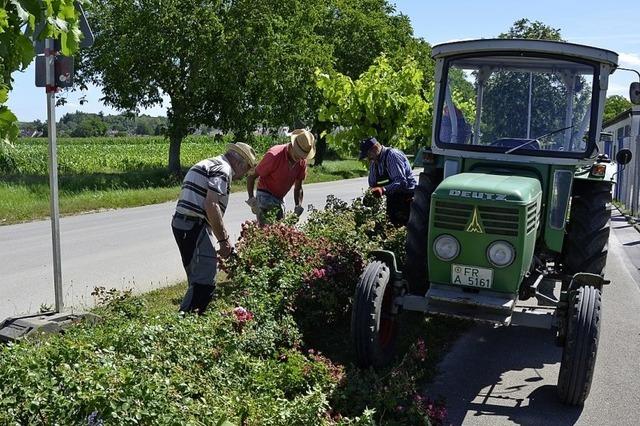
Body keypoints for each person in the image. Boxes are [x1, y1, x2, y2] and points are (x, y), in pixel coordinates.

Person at [172, 142, 257, 314]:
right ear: (240, 163)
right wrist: (224, 241)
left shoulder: (212, 163)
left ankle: (190, 319)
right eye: (246, 170)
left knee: (197, 276)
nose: (243, 175)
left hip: (183, 223)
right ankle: (185, 322)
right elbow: (211, 204)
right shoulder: (223, 170)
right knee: (205, 281)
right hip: (194, 225)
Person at [246, 129, 315, 224]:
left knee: (281, 231)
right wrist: (252, 199)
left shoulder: (301, 162)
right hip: (265, 195)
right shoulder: (274, 155)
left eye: (302, 156)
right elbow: (252, 176)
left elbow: (298, 187)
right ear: (292, 145)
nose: (299, 158)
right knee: (270, 232)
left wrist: (298, 205)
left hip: (280, 198)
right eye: (298, 154)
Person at [360, 137, 417, 226]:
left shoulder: (392, 155)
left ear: (375, 148)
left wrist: (383, 190)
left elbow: (401, 182)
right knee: (391, 224)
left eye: (368, 155)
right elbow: (372, 183)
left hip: (407, 197)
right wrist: (370, 194)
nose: (368, 158)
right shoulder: (374, 162)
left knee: (405, 225)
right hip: (392, 197)